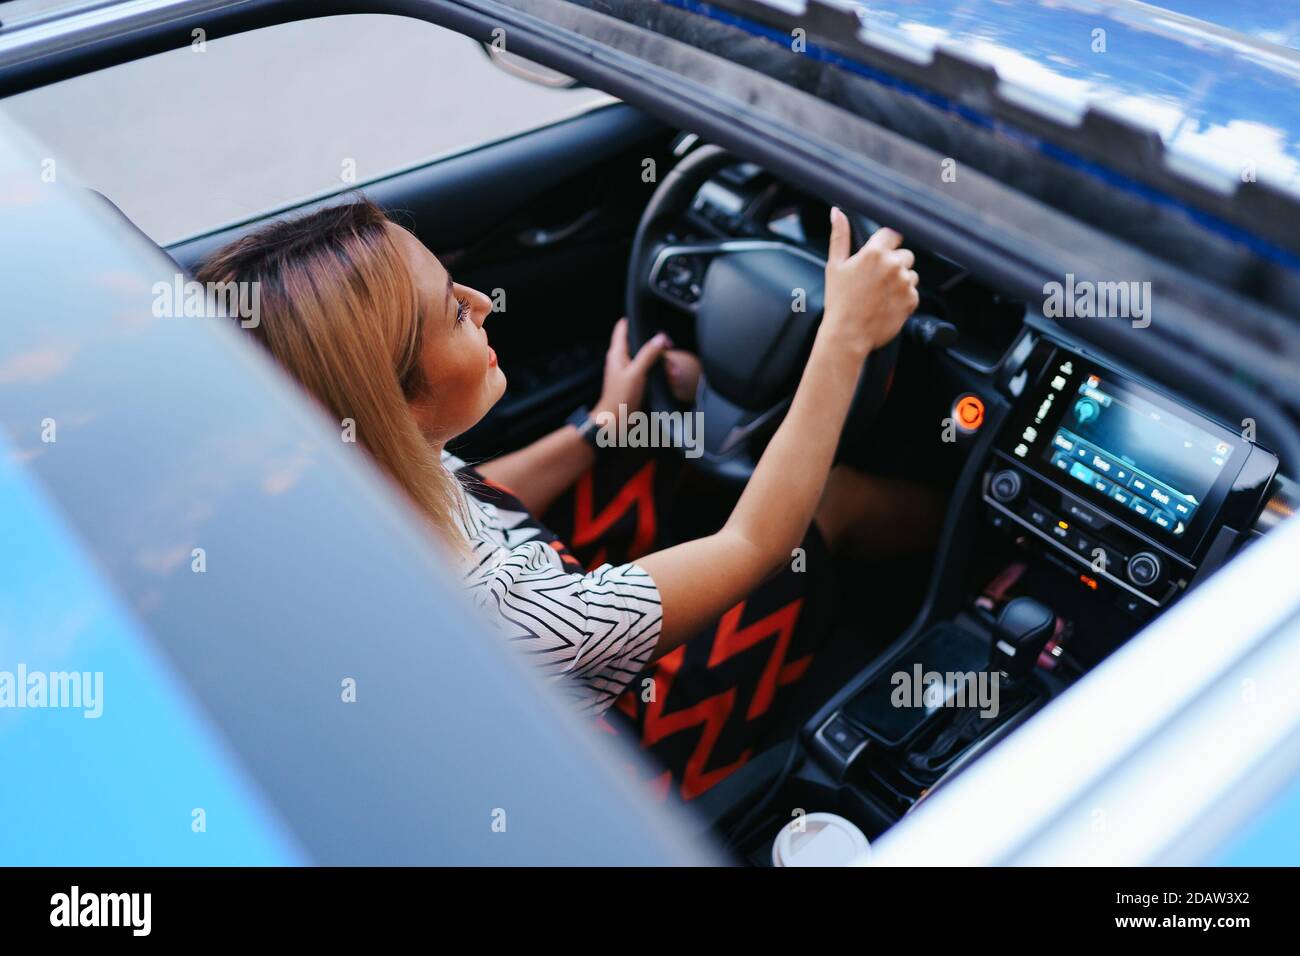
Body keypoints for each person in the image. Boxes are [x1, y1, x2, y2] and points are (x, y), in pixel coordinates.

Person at [197, 198, 928, 799]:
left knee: (646, 450)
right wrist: (845, 333)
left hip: (503, 714)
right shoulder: (517, 621)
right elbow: (755, 544)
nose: (481, 303)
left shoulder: (335, 475)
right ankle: (988, 560)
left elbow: (478, 490)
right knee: (827, 506)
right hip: (618, 770)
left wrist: (598, 428)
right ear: (388, 401)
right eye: (451, 312)